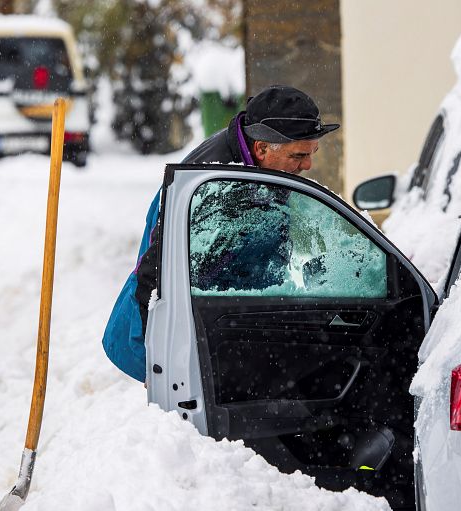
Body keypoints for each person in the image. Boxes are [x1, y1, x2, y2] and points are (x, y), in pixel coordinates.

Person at [102, 85, 340, 382]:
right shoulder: (216, 191)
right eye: (298, 156)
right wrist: (167, 366)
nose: (308, 165)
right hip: (155, 343)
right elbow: (159, 272)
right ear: (262, 148)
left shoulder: (258, 163)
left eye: (312, 153)